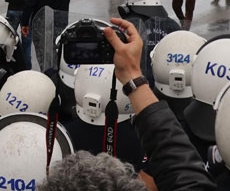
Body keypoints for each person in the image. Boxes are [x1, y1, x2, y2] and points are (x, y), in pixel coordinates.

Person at [39, 18, 216, 191]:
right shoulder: (139, 142)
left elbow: (180, 165)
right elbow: (181, 165)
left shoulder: (57, 135)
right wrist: (132, 75)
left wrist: (132, 76)